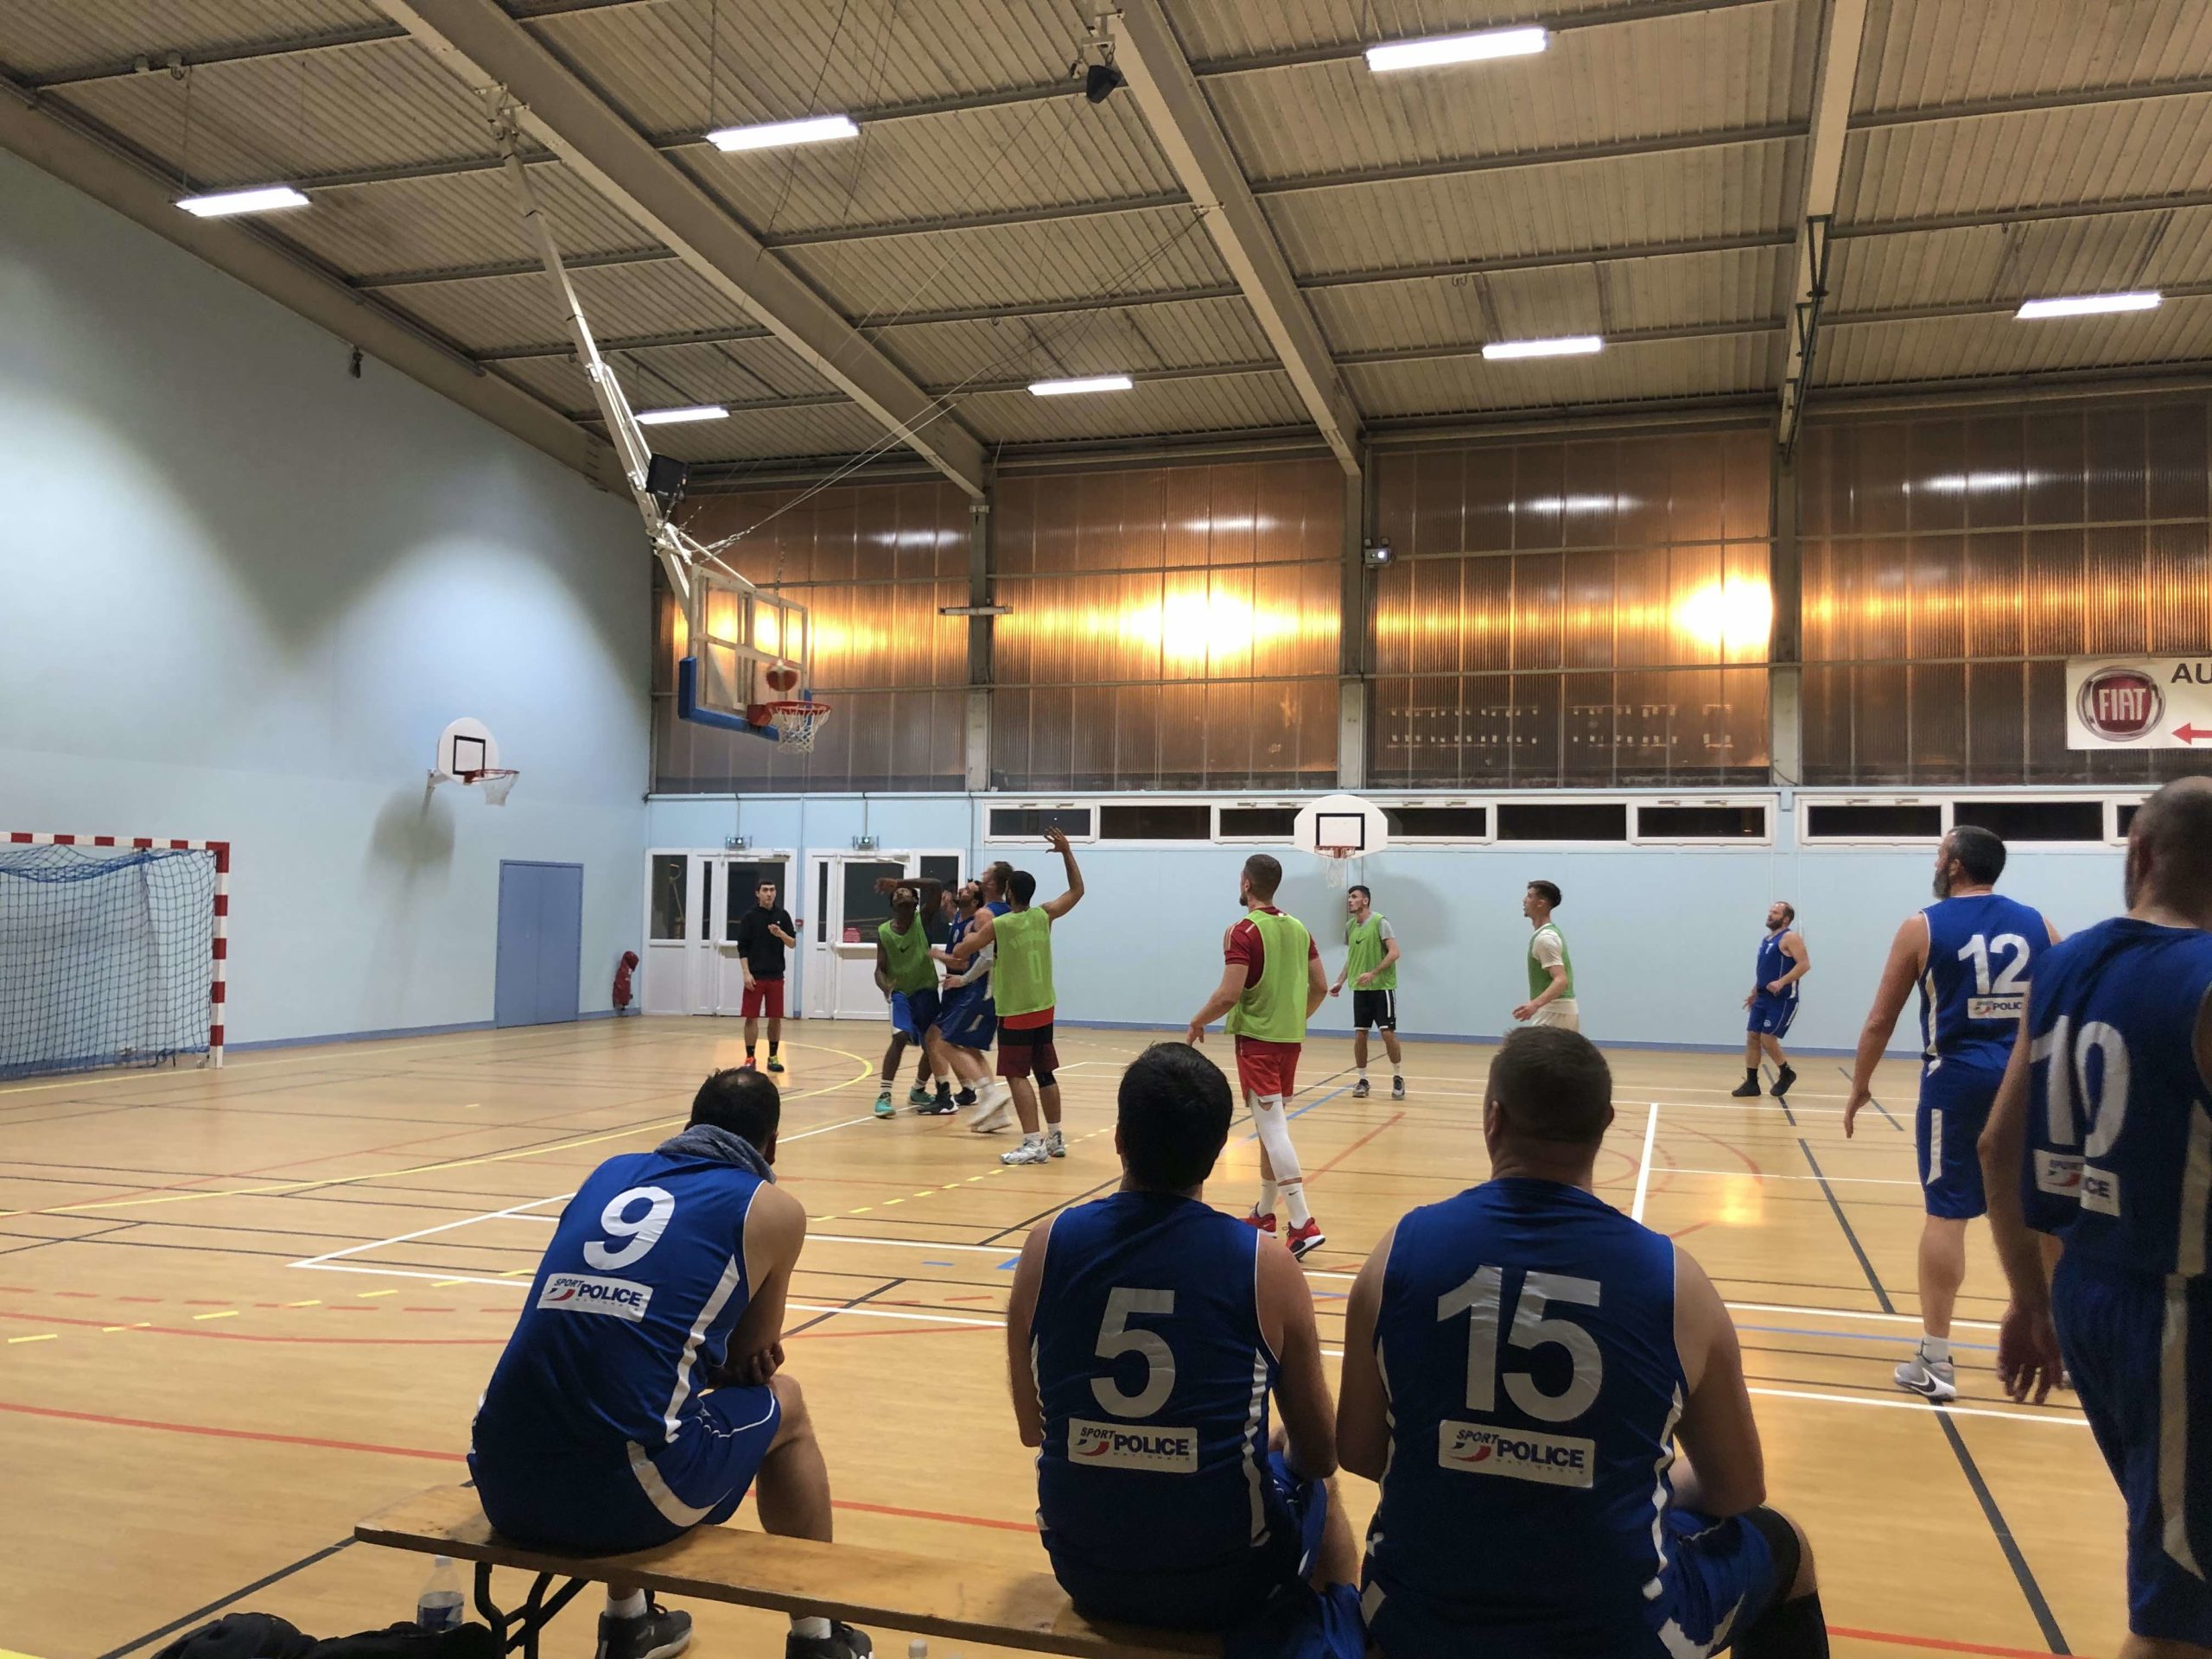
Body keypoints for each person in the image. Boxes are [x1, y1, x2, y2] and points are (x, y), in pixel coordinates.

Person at [1337, 1026, 1828, 1659]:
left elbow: (1359, 1453)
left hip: (1414, 1617)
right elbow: (1737, 1490)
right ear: (1606, 1126)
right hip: (1616, 1636)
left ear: (1493, 1119)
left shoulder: (1396, 1255)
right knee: (1787, 1544)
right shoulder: (1677, 1284)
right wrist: (1607, 1476)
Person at [468, 1067, 870, 1659]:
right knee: (785, 1405)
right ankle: (821, 1634)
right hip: (625, 1498)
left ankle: (629, 1624)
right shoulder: (773, 1209)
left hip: (501, 1479)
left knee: (632, 1390)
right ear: (772, 1146)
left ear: (688, 1126)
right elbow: (748, 1359)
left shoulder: (608, 1173)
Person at [1004, 1042, 1363, 1659]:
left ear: (1119, 1139)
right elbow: (1321, 1452)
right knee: (1318, 1484)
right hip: (1225, 1584)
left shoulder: (1046, 1245)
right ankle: (1342, 1627)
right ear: (1219, 1151)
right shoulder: (1264, 1265)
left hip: (1083, 1567)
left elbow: (1032, 1430)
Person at [1981, 777, 2212, 1659]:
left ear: (2140, 852)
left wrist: (2028, 1299)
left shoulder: (2064, 962)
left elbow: (1997, 1146)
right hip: (2178, 1317)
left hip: (2085, 1293)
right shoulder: (2201, 982)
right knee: (2176, 1623)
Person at [1843, 824, 2059, 1401]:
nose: (1936, 863)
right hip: (2024, 1081)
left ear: (1956, 865)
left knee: (1947, 1214)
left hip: (1957, 1083)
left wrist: (1860, 1083)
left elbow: (1881, 1019)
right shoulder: (2039, 925)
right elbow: (2064, 996)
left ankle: (1935, 1361)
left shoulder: (1923, 926)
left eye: (1940, 854)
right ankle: (2060, 1343)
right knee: (2041, 1215)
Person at [1185, 854, 1330, 1259]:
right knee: (1270, 1127)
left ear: (1246, 883)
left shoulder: (1243, 931)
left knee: (1274, 1129)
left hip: (1258, 1043)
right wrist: (1294, 1017)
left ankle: (1302, 1222)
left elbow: (1229, 994)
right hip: (1289, 1042)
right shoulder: (1299, 928)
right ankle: (1265, 1213)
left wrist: (1198, 1020)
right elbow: (1320, 985)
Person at [950, 830, 1084, 1165]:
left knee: (1016, 1075)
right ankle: (1055, 1136)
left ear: (1009, 892)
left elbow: (964, 950)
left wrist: (957, 942)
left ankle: (1032, 1142)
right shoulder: (1044, 914)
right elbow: (1077, 890)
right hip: (1044, 1006)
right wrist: (1067, 852)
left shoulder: (1002, 924)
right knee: (1045, 1073)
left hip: (1016, 1011)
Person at [927, 881, 1011, 1120]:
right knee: (970, 1049)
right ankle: (995, 1113)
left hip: (976, 992)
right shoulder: (965, 917)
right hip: (980, 991)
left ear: (977, 900)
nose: (962, 890)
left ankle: (982, 1093)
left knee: (942, 1042)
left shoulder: (982, 918)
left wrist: (944, 960)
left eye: (968, 889)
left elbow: (981, 959)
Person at [873, 885, 942, 1120]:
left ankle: (918, 1090)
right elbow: (879, 969)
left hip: (926, 990)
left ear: (915, 901)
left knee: (933, 1045)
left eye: (906, 892)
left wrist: (898, 881)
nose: (901, 894)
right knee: (900, 1037)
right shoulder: (884, 931)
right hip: (901, 993)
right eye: (897, 893)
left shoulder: (924, 919)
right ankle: (884, 1095)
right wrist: (885, 986)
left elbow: (936, 888)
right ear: (892, 903)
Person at [1330, 882, 1403, 1101]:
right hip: (1360, 990)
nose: (1350, 900)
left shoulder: (1381, 922)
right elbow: (1352, 959)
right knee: (1360, 1034)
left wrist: (1373, 973)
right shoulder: (1350, 927)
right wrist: (1340, 981)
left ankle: (1398, 1076)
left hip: (1382, 988)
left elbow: (1394, 953)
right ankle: (1362, 1080)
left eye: (1354, 897)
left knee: (1387, 1033)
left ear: (1365, 900)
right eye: (1349, 897)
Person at [1733, 901, 1809, 1098]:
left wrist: (1781, 982)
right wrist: (1755, 991)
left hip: (1782, 998)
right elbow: (1765, 970)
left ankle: (1786, 1072)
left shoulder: (1790, 938)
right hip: (1763, 997)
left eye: (1775, 913)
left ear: (1785, 919)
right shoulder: (1767, 940)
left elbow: (1804, 965)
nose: (1770, 915)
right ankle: (1752, 1083)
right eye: (1770, 911)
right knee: (1753, 1036)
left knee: (1767, 1038)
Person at [734, 880, 799, 1073]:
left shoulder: (782, 915)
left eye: (772, 890)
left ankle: (773, 1057)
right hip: (755, 975)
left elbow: (793, 943)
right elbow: (742, 947)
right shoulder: (749, 917)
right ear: (758, 893)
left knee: (775, 1017)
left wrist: (781, 934)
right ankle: (750, 1057)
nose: (769, 893)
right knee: (751, 1017)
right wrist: (746, 973)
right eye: (765, 890)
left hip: (776, 975)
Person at [1513, 880, 1578, 1031]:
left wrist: (1534, 1005)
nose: (1524, 900)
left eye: (1529, 896)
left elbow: (1561, 980)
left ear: (1540, 903)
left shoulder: (1545, 938)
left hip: (1555, 1013)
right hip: (1555, 1011)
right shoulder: (1545, 935)